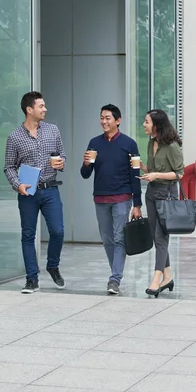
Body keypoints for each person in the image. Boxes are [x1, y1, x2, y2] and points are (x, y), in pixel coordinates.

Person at [4, 91, 66, 294]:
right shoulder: (14, 137)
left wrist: (60, 162)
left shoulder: (53, 130)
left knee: (58, 231)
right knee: (28, 235)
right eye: (41, 106)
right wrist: (17, 184)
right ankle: (32, 279)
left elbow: (61, 155)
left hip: (50, 189)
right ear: (29, 110)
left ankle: (52, 265)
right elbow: (9, 167)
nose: (45, 109)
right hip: (28, 193)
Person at [80, 104, 142, 295]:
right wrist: (86, 163)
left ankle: (114, 279)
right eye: (102, 118)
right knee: (107, 240)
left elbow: (135, 174)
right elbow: (85, 174)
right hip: (100, 198)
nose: (104, 121)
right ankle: (115, 273)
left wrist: (137, 203)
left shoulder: (130, 144)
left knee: (119, 238)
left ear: (118, 120)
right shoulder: (94, 143)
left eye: (108, 118)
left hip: (122, 198)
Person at [138, 109, 184, 297]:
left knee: (161, 236)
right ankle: (168, 275)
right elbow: (153, 168)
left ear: (156, 125)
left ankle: (156, 279)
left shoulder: (172, 145)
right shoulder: (151, 143)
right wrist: (142, 167)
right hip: (151, 193)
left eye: (147, 122)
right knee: (156, 235)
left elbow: (179, 173)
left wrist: (157, 175)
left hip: (167, 194)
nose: (144, 125)